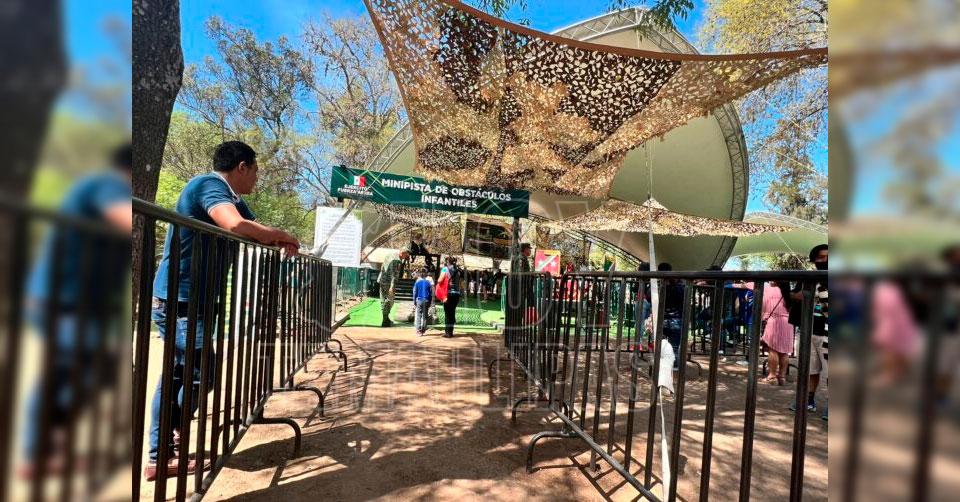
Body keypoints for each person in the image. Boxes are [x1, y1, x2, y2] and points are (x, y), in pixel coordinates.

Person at [146, 141, 300, 481]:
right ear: (242, 167)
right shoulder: (209, 185)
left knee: (183, 373)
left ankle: (165, 449)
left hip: (196, 301)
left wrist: (279, 239)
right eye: (255, 171)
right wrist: (282, 233)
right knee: (200, 373)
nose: (256, 179)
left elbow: (255, 231)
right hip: (180, 300)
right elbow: (235, 225)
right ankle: (165, 448)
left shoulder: (234, 198)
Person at [20, 144, 132, 479]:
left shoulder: (107, 186)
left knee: (85, 368)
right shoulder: (106, 184)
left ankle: (49, 447)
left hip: (77, 301)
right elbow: (124, 219)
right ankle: (38, 452)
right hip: (59, 299)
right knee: (69, 369)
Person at [789, 244, 828, 419]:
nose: (825, 260)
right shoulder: (808, 278)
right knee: (810, 369)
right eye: (821, 257)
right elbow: (795, 294)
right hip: (808, 330)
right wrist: (799, 295)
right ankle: (808, 400)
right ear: (813, 260)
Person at [761, 281, 794, 385]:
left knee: (773, 350)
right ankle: (782, 376)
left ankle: (772, 376)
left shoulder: (769, 289)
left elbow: (764, 307)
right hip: (788, 323)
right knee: (784, 352)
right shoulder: (788, 292)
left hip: (774, 321)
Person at [378, 247, 410, 327]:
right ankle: (385, 320)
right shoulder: (397, 260)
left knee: (383, 300)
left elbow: (382, 267)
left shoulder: (390, 255)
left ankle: (386, 319)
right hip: (388, 283)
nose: (406, 257)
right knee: (390, 301)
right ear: (403, 253)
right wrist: (392, 286)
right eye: (406, 255)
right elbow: (394, 274)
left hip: (382, 280)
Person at [437, 256, 464, 338]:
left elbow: (440, 280)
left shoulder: (445, 269)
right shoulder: (459, 270)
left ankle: (447, 332)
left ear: (447, 261)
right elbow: (462, 283)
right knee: (452, 312)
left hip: (447, 293)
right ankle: (451, 332)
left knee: (447, 313)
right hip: (456, 294)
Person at [412, 268, 433, 336]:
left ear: (420, 275)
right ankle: (423, 329)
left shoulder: (417, 283)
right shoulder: (428, 283)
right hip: (426, 300)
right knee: (425, 316)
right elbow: (431, 294)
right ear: (426, 275)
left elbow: (415, 293)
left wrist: (414, 301)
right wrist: (430, 302)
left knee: (419, 315)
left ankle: (418, 330)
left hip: (420, 300)